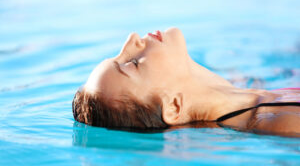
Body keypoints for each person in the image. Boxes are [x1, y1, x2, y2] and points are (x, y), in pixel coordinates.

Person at [72, 27, 300, 137]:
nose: (132, 38)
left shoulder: (247, 91)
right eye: (132, 63)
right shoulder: (282, 123)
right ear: (174, 106)